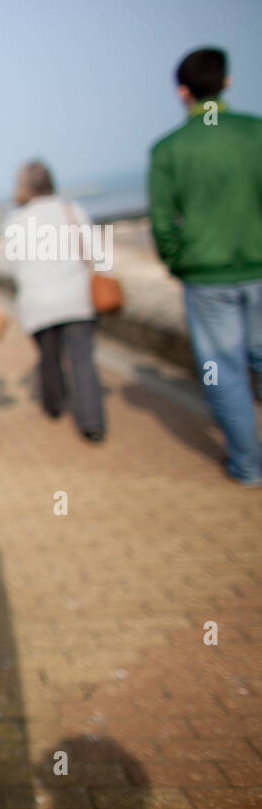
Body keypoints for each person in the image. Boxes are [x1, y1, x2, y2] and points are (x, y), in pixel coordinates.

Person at [149, 47, 262, 486]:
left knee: (225, 373)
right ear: (227, 82)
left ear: (182, 91)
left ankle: (249, 466)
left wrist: (183, 263)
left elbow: (162, 225)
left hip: (207, 278)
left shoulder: (168, 151)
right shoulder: (255, 133)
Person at [1, 160, 106, 442]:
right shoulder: (71, 210)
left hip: (37, 302)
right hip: (76, 298)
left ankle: (54, 406)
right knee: (83, 361)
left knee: (49, 358)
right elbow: (96, 252)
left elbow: (7, 266)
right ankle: (92, 423)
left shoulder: (15, 221)